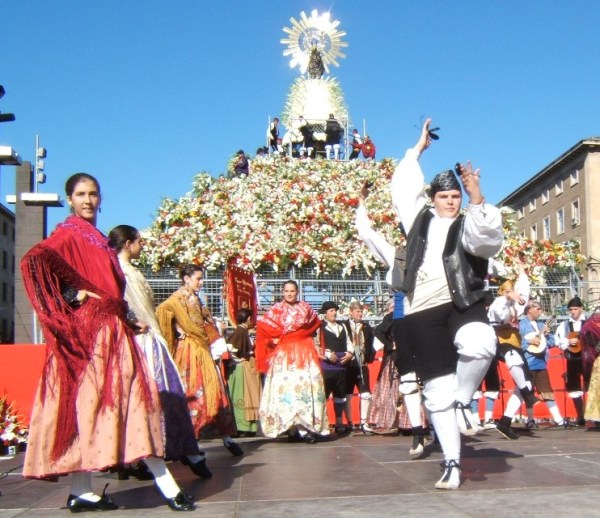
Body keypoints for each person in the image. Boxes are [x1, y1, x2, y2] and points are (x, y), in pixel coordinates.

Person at [20, 173, 195, 512]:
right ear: (69, 199)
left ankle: (83, 491)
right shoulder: (67, 234)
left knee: (121, 406)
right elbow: (33, 262)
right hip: (92, 335)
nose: (88, 200)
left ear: (101, 198)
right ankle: (166, 485)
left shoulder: (98, 239)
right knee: (111, 406)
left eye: (93, 194)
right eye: (81, 194)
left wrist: (129, 318)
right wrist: (73, 296)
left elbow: (112, 292)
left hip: (114, 332)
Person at [391, 118, 503, 489]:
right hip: (423, 308)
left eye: (455, 196)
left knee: (481, 343)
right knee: (436, 391)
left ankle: (464, 400)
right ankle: (452, 463)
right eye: (445, 197)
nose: (450, 202)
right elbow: (404, 186)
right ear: (433, 199)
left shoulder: (470, 221)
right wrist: (418, 149)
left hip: (462, 300)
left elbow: (486, 242)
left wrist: (476, 197)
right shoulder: (418, 219)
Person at [108, 224, 213, 480]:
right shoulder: (117, 270)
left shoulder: (129, 270)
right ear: (129, 243)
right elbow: (116, 301)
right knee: (156, 397)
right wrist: (132, 321)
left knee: (162, 396)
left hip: (149, 338)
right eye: (139, 241)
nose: (142, 245)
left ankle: (161, 451)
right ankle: (155, 453)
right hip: (139, 341)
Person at [355, 181, 429, 455]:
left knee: (435, 375)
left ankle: (447, 420)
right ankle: (418, 433)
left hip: (430, 312)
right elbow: (367, 233)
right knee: (408, 375)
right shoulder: (396, 255)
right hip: (403, 313)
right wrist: (361, 202)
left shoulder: (435, 253)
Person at [156, 264, 243, 456]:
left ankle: (226, 436)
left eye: (202, 278)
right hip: (189, 352)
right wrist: (179, 331)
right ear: (186, 279)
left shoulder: (196, 299)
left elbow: (205, 323)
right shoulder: (177, 299)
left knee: (216, 393)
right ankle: (193, 440)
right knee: (193, 392)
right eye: (198, 279)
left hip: (203, 350)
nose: (201, 282)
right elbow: (163, 311)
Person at [255, 280, 329, 443]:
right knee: (286, 389)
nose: (289, 294)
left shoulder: (306, 309)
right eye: (286, 291)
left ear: (297, 292)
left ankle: (306, 428)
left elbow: (316, 325)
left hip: (305, 351)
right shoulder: (276, 310)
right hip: (284, 355)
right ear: (283, 292)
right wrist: (274, 340)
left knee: (307, 387)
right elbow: (263, 327)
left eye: (292, 291)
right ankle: (291, 428)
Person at [488, 271, 541, 440]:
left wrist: (521, 268)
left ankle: (505, 421)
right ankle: (527, 395)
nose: (514, 293)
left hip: (513, 341)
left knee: (524, 382)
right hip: (498, 339)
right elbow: (500, 315)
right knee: (513, 359)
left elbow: (524, 290)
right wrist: (507, 297)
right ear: (504, 292)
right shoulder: (499, 303)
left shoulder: (515, 304)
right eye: (510, 290)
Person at [520, 301, 567, 428]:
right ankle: (530, 420)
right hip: (528, 362)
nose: (540, 312)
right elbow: (518, 342)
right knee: (528, 393)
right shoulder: (522, 325)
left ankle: (559, 420)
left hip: (541, 363)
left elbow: (552, 343)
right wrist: (529, 341)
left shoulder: (541, 324)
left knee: (547, 391)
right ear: (529, 309)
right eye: (538, 309)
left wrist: (546, 335)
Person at [316, 301, 353, 434]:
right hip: (327, 367)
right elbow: (317, 345)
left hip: (342, 367)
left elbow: (349, 342)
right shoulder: (320, 327)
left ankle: (339, 421)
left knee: (340, 395)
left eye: (335, 310)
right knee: (324, 395)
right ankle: (322, 422)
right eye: (331, 310)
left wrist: (350, 353)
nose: (334, 313)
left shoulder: (342, 326)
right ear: (325, 313)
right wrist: (327, 354)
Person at [226, 307, 262, 436]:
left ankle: (248, 427)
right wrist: (239, 359)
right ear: (247, 319)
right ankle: (241, 427)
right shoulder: (240, 332)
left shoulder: (242, 331)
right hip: (241, 369)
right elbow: (230, 348)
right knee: (242, 396)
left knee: (248, 396)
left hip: (244, 367)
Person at [342, 302, 376, 432]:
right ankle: (349, 422)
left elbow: (370, 344)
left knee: (366, 393)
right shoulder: (344, 325)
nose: (360, 314)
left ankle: (364, 422)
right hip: (349, 364)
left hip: (362, 363)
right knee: (348, 394)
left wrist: (368, 358)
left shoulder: (366, 327)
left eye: (361, 312)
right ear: (351, 312)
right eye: (357, 311)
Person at [555, 296, 588, 426]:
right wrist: (568, 341)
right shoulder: (564, 325)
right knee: (574, 386)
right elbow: (558, 340)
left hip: (587, 358)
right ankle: (580, 416)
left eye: (575, 309)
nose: (573, 312)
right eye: (571, 309)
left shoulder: (589, 322)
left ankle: (595, 416)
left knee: (591, 385)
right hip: (573, 359)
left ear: (581, 309)